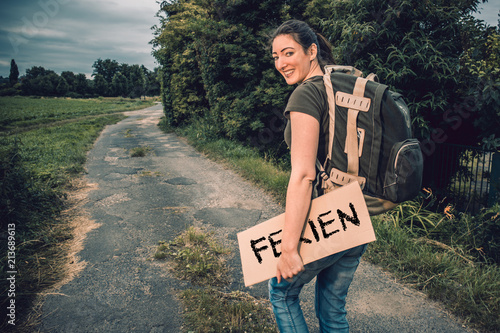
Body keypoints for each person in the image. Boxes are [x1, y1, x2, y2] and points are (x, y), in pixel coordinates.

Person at [269, 19, 368, 333]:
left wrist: (288, 249)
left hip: (329, 219)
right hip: (358, 214)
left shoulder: (306, 96)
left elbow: (303, 175)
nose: (281, 63)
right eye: (275, 57)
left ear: (311, 51)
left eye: (288, 53)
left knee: (282, 292)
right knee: (332, 309)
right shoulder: (341, 84)